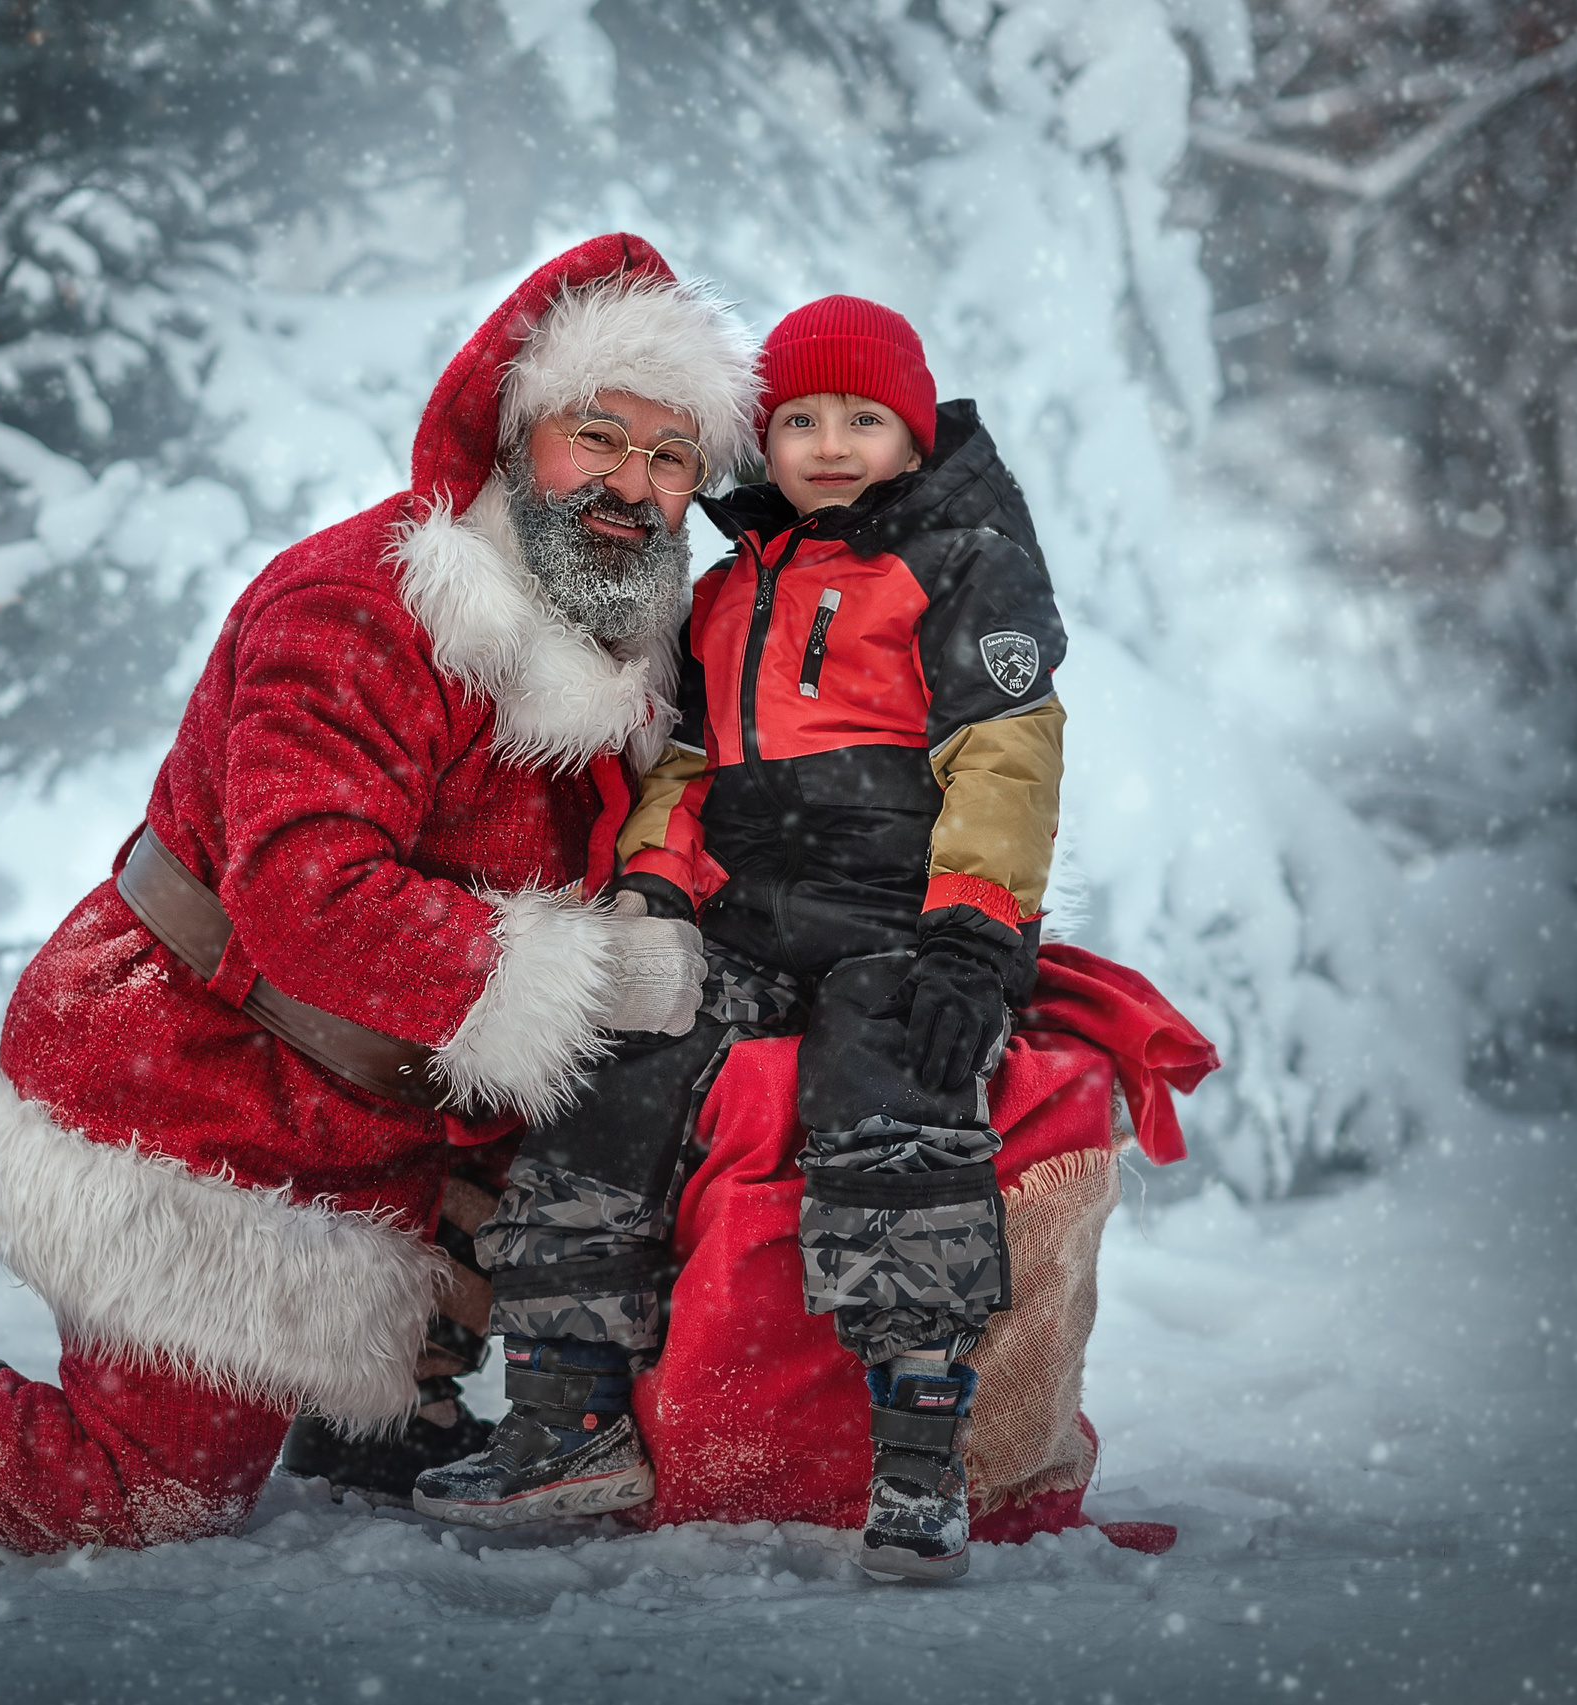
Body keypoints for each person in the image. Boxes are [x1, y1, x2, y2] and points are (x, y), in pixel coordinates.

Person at [0, 234, 762, 1557]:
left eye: (669, 458)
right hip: (195, 1088)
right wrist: (599, 980)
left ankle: (381, 1408)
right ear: (515, 428)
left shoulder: (621, 660)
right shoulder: (363, 608)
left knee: (656, 1122)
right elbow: (312, 897)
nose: (633, 487)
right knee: (138, 1498)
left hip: (382, 1116)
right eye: (601, 436)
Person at [413, 295, 1068, 1583]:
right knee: (613, 1067)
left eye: (864, 420)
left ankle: (919, 1459)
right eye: (799, 421)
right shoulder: (729, 587)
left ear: (914, 436)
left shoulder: (959, 565)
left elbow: (1007, 754)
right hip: (751, 913)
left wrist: (976, 935)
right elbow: (692, 764)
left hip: (900, 914)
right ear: (760, 444)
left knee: (891, 1097)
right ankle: (566, 1415)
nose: (830, 444)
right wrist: (656, 891)